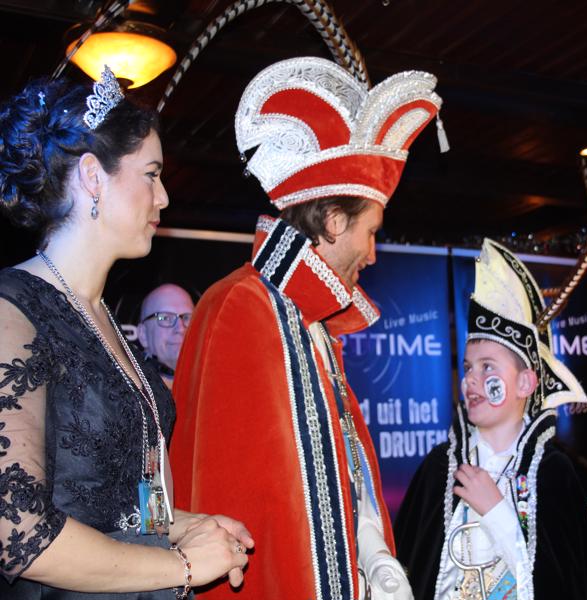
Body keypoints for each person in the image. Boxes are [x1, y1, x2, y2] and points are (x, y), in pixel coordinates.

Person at [170, 56, 443, 600]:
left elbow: (338, 478)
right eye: (370, 232)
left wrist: (373, 551)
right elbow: (230, 496)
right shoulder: (243, 305)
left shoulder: (308, 321)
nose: (372, 253)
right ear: (335, 222)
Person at [0, 69, 252, 599]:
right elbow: (20, 536)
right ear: (93, 177)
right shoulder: (13, 308)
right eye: (152, 175)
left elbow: (116, 504)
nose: (164, 198)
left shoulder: (105, 319)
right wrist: (182, 565)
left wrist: (190, 527)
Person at [394, 238, 587, 600]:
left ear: (525, 382)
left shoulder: (554, 475)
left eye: (487, 367)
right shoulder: (439, 469)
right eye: (467, 368)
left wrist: (497, 513)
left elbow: (568, 585)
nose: (471, 380)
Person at [138, 283, 195, 389]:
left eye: (187, 318)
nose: (181, 328)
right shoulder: (127, 390)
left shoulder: (215, 383)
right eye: (165, 318)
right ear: (143, 334)